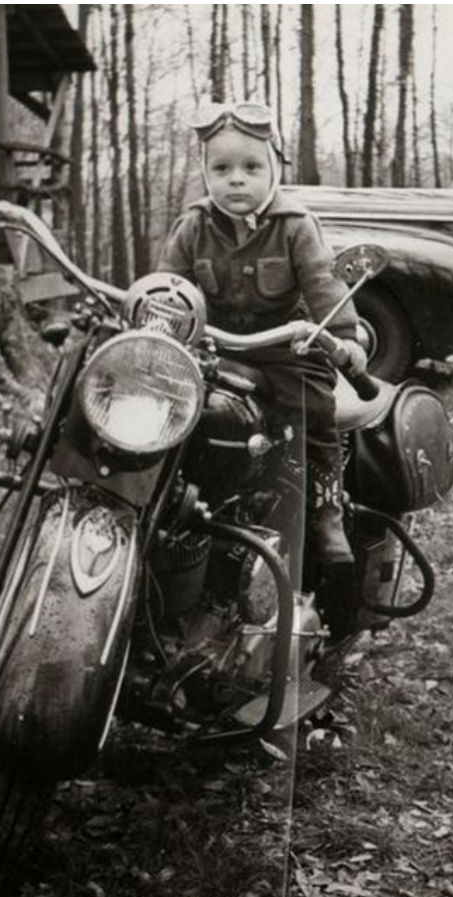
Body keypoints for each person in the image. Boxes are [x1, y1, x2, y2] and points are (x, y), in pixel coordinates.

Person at [157, 101, 368, 564]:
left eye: (252, 167)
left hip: (289, 348)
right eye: (222, 167)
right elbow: (167, 283)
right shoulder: (193, 225)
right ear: (206, 172)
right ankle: (170, 497)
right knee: (176, 404)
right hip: (216, 347)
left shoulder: (295, 226)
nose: (237, 178)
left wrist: (346, 338)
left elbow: (324, 285)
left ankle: (324, 507)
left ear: (274, 168)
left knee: (312, 408)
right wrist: (160, 317)